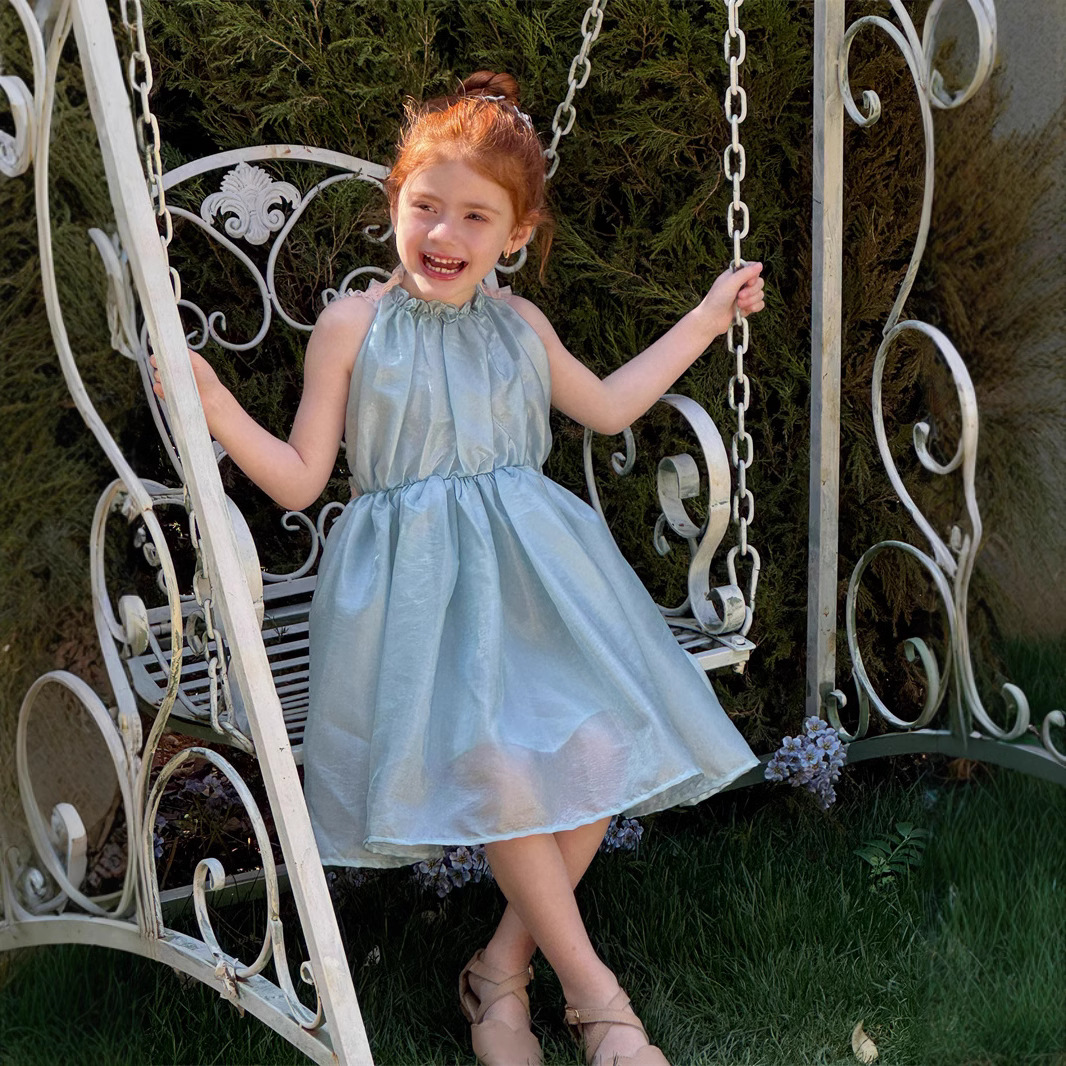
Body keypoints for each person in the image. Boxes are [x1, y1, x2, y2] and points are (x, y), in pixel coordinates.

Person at [155, 70, 765, 1066]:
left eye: (475, 217)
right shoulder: (354, 327)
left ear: (515, 235)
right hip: (416, 614)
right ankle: (598, 1002)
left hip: (533, 593)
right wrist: (216, 408)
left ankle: (500, 970)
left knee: (602, 743)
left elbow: (611, 407)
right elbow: (301, 481)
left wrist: (707, 317)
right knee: (496, 764)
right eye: (425, 206)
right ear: (394, 204)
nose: (444, 234)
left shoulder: (521, 328)